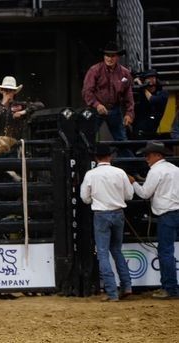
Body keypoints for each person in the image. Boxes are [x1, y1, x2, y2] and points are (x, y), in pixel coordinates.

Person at [79, 144, 133, 301]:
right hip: (118, 213)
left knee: (102, 253)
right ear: (110, 156)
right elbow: (129, 195)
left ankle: (112, 292)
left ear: (96, 158)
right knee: (117, 250)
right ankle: (127, 285)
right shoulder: (120, 172)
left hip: (101, 214)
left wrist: (95, 199)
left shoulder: (91, 174)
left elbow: (85, 198)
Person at [128, 141, 179, 299]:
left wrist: (133, 183)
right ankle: (169, 286)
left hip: (166, 213)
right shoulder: (175, 169)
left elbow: (144, 194)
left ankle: (170, 288)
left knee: (165, 252)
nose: (146, 158)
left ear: (157, 155)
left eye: (148, 155)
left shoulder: (156, 171)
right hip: (175, 210)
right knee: (167, 252)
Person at [81, 41, 135, 150]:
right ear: (104, 56)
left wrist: (129, 113)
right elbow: (87, 91)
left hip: (115, 108)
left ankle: (127, 165)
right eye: (107, 55)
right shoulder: (95, 70)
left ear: (117, 57)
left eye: (113, 56)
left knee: (122, 140)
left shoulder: (125, 73)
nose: (109, 58)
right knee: (87, 138)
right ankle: (86, 164)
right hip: (95, 110)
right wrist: (97, 105)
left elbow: (128, 95)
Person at [0, 76, 44, 140]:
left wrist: (23, 112)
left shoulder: (19, 105)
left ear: (14, 92)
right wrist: (3, 104)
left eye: (10, 90)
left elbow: (40, 105)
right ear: (2, 91)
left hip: (14, 144)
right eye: (5, 90)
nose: (8, 93)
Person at [131, 69, 169, 140]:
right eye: (148, 78)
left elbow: (153, 100)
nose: (151, 80)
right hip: (137, 130)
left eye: (153, 78)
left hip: (151, 132)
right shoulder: (140, 93)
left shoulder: (163, 93)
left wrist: (142, 87)